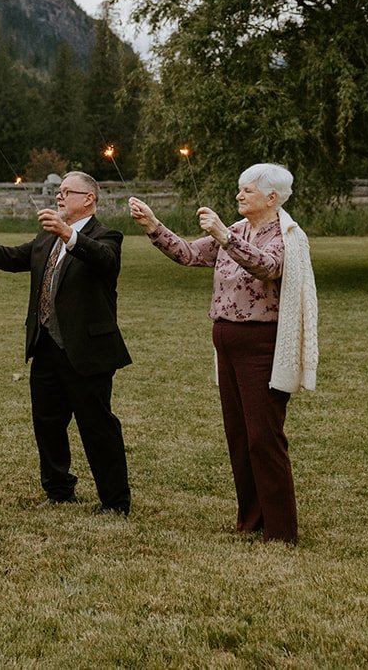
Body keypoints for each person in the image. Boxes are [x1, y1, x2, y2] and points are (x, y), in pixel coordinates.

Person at [128, 163, 319, 544]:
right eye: (239, 190)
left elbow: (267, 267)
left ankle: (281, 531)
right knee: (239, 434)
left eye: (246, 190)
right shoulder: (234, 230)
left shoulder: (286, 236)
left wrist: (223, 235)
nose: (238, 196)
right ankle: (251, 519)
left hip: (261, 346)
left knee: (264, 437)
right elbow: (187, 254)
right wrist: (153, 224)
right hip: (226, 340)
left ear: (271, 197)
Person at [0, 171, 132, 513]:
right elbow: (14, 258)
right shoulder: (46, 239)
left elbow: (104, 260)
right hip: (46, 346)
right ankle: (59, 490)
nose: (58, 197)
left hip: (87, 350)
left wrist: (68, 235)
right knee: (47, 424)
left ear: (88, 198)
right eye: (57, 192)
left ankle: (115, 501)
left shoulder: (107, 236)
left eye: (66, 192)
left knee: (98, 426)